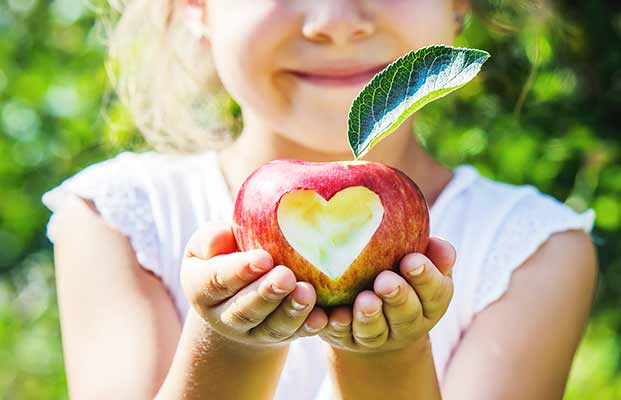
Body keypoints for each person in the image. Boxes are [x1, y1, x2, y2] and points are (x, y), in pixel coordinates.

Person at [41, 1, 598, 399]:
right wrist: (231, 342)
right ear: (196, 6)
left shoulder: (532, 251)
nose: (334, 22)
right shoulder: (117, 218)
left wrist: (385, 353)